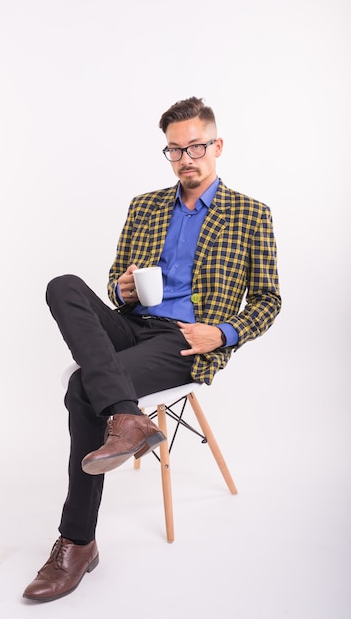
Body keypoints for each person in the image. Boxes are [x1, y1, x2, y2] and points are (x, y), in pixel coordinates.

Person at [23, 96, 281, 602]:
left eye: (196, 147)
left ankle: (77, 541)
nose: (186, 158)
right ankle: (127, 417)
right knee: (63, 285)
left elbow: (269, 299)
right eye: (175, 150)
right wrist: (119, 290)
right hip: (133, 324)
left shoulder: (251, 215)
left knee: (82, 387)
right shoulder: (144, 206)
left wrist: (224, 333)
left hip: (186, 340)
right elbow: (116, 278)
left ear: (217, 146)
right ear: (167, 153)